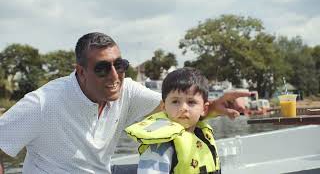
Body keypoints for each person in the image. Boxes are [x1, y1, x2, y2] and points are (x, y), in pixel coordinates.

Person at [0, 32, 250, 174]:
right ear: (81, 71)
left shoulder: (127, 91)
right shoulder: (44, 103)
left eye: (119, 65)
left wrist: (214, 107)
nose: (114, 75)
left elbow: (177, 111)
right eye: (102, 68)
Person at [126, 67, 223, 173]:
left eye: (191, 102)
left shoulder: (202, 135)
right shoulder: (162, 146)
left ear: (204, 109)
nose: (183, 108)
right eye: (175, 101)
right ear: (164, 107)